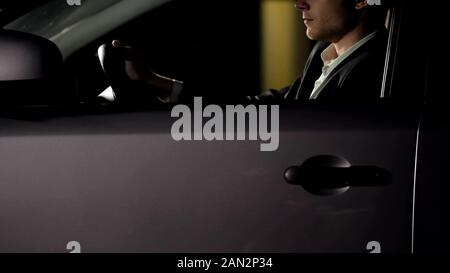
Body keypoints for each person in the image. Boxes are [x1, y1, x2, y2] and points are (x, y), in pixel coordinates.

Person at [98, 0, 392, 104]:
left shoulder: (373, 67)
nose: (299, 3)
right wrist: (153, 81)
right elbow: (264, 110)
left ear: (361, 0)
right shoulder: (324, 54)